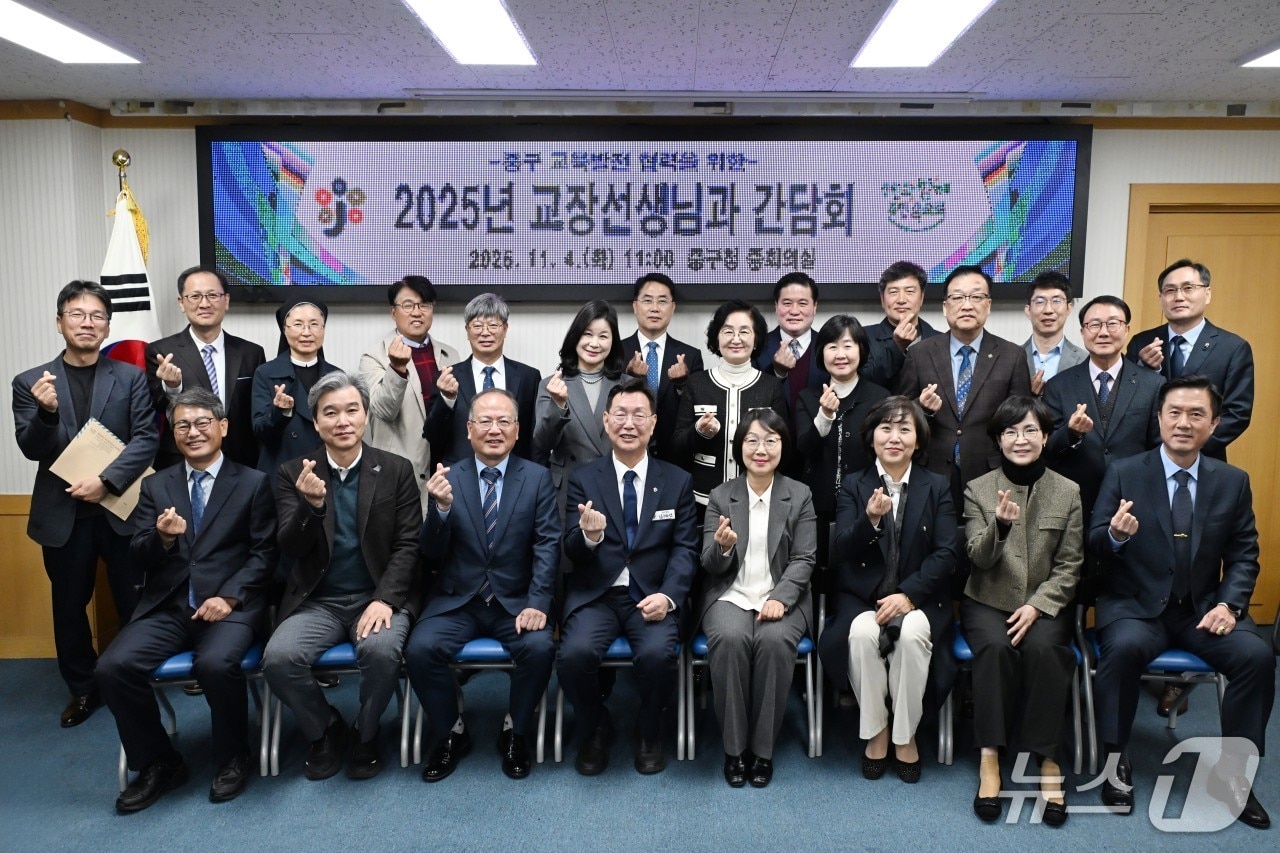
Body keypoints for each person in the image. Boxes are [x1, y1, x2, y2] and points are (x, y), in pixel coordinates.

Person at [1088, 376, 1274, 830]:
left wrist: (1229, 606)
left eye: (1196, 414)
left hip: (1202, 609)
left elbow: (1244, 554)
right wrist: (1115, 536)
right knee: (1123, 649)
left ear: (1214, 424)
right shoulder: (1125, 472)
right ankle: (1115, 759)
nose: (1183, 423)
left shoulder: (1232, 481)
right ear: (1159, 419)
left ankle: (1234, 774)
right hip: (1135, 607)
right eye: (1174, 413)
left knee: (1256, 656)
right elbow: (1093, 543)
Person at [96, 389, 277, 812]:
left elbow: (265, 553)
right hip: (169, 606)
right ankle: (159, 761)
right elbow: (138, 554)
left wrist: (229, 597)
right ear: (173, 433)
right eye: (182, 425)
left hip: (229, 607)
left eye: (202, 423)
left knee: (215, 664)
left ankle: (232, 757)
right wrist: (161, 538)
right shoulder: (156, 485)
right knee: (113, 667)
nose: (192, 432)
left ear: (223, 427)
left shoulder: (253, 483)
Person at [262, 371, 423, 781]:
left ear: (366, 416)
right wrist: (311, 506)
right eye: (330, 413)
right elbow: (289, 547)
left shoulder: (396, 469)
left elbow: (409, 544)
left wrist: (385, 599)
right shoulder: (293, 473)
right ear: (316, 422)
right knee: (279, 659)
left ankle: (365, 733)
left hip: (377, 596)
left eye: (352, 410)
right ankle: (324, 728)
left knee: (382, 652)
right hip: (318, 600)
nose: (343, 421)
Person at [11, 280, 159, 727]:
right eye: (77, 314)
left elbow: (146, 438)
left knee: (135, 600)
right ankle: (83, 689)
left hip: (121, 509)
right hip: (63, 515)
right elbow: (32, 449)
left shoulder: (130, 376)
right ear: (60, 323)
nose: (87, 323)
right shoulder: (31, 382)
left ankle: (134, 677)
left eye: (97, 316)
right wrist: (46, 413)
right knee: (69, 607)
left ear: (108, 326)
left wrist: (106, 481)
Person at [408, 389, 559, 782]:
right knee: (420, 649)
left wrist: (538, 602)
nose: (495, 430)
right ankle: (452, 731)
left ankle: (515, 729)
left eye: (504, 421)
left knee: (540, 648)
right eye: (485, 421)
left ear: (517, 430)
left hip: (516, 601)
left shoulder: (537, 478)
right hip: (459, 600)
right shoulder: (448, 478)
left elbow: (547, 544)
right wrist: (440, 511)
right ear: (469, 429)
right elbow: (431, 554)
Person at [558, 378, 699, 776]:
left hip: (652, 595)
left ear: (653, 424)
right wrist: (589, 537)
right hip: (598, 594)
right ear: (606, 421)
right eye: (620, 414)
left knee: (658, 656)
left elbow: (685, 549)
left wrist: (668, 596)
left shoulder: (677, 481)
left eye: (639, 415)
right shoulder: (584, 479)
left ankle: (649, 729)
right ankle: (595, 726)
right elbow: (569, 547)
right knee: (573, 656)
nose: (629, 423)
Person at [823, 396, 958, 785]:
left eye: (904, 429)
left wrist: (909, 596)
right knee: (862, 634)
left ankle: (905, 734)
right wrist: (869, 519)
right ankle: (877, 730)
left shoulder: (936, 485)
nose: (894, 437)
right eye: (886, 428)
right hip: (863, 598)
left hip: (919, 598)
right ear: (872, 438)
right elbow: (841, 550)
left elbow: (947, 552)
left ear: (918, 440)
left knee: (912, 634)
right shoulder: (854, 485)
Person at [962, 396, 1082, 826]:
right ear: (998, 440)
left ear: (1046, 437)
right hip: (987, 599)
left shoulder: (1068, 491)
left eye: (1031, 430)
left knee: (1046, 651)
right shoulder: (978, 488)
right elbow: (977, 558)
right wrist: (1000, 526)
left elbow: (1070, 565)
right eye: (1010, 432)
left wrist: (1038, 606)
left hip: (1046, 603)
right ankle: (990, 758)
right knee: (995, 649)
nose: (1021, 439)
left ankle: (1047, 759)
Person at [699, 409, 816, 788]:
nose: (761, 449)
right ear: (739, 447)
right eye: (752, 440)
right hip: (730, 594)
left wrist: (781, 598)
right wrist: (722, 548)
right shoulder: (721, 496)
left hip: (782, 595)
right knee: (730, 639)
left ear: (783, 446)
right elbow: (709, 564)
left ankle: (762, 751)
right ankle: (734, 750)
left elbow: (804, 558)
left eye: (770, 440)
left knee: (774, 641)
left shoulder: (799, 495)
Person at [897, 265, 1033, 507]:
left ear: (988, 305)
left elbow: (1020, 420)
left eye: (976, 297)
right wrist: (922, 408)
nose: (967, 305)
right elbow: (901, 415)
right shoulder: (920, 353)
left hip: (991, 474)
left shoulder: (1012, 355)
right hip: (930, 472)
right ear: (945, 307)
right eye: (958, 297)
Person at [1042, 295, 1161, 521]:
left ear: (1127, 329)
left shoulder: (1153, 384)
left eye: (1113, 323)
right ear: (1083, 332)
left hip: (1133, 499)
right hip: (1075, 503)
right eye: (1094, 325)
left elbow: (1158, 448)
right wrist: (1071, 433)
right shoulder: (1059, 385)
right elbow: (1048, 451)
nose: (1103, 332)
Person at [1125, 258, 1253, 461]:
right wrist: (1143, 369)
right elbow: (1128, 405)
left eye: (1188, 288)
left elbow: (1237, 413)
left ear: (1207, 294)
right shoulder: (1142, 342)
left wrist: (1188, 448)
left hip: (1204, 460)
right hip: (1148, 459)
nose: (1179, 297)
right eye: (1170, 290)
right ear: (1161, 298)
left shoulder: (1233, 348)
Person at [794, 314, 890, 572]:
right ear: (821, 353)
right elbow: (805, 448)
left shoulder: (880, 397)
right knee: (818, 569)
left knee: (860, 568)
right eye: (832, 346)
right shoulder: (807, 397)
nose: (840, 354)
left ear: (861, 350)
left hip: (865, 502)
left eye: (848, 345)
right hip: (816, 504)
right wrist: (824, 416)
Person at [145, 265, 266, 470]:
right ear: (181, 303)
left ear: (226, 300)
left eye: (212, 295)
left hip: (241, 462)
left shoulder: (251, 353)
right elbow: (156, 408)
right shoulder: (161, 351)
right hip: (182, 460)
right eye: (195, 296)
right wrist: (172, 387)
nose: (204, 303)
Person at [359, 275, 459, 513]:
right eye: (408, 305)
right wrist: (396, 368)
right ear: (393, 312)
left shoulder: (450, 355)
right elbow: (383, 410)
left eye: (424, 305)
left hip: (445, 467)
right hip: (399, 471)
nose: (417, 312)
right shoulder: (374, 357)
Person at [672, 300, 788, 507]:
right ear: (716, 338)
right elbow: (677, 447)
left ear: (756, 339)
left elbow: (784, 447)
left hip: (757, 499)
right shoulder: (696, 383)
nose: (736, 339)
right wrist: (699, 432)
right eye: (728, 331)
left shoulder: (771, 386)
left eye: (744, 332)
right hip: (703, 499)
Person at [423, 292, 539, 464]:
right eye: (477, 326)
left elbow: (534, 437)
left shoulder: (528, 377)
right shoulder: (447, 377)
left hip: (515, 473)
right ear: (467, 331)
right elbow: (433, 436)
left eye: (493, 325)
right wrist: (447, 399)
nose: (485, 333)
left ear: (505, 329)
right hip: (461, 473)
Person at [534, 300, 624, 519]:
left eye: (603, 336)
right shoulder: (552, 384)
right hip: (568, 488)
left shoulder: (628, 386)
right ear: (575, 337)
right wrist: (558, 405)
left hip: (616, 485)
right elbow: (542, 443)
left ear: (613, 341)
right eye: (587, 334)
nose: (594, 343)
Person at [620, 273, 704, 463]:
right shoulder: (616, 352)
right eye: (647, 300)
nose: (655, 308)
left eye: (662, 301)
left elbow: (696, 410)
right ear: (635, 306)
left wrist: (682, 385)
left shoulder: (690, 356)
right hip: (627, 453)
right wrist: (629, 378)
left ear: (672, 308)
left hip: (675, 458)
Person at [250, 298, 339, 477]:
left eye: (314, 324)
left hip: (326, 473)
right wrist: (280, 412)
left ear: (323, 329)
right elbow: (260, 431)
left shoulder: (336, 376)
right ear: (285, 330)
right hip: (282, 472)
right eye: (298, 324)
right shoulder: (265, 373)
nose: (306, 332)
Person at [753, 272, 828, 412]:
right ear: (776, 306)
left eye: (802, 303)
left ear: (815, 307)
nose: (794, 311)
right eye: (787, 303)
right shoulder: (757, 346)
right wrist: (777, 372)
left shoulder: (828, 346)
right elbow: (752, 397)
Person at [862, 261, 942, 389]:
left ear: (921, 298)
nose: (901, 300)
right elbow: (862, 384)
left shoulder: (941, 340)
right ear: (882, 299)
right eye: (893, 292)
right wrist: (897, 346)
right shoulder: (863, 337)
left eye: (909, 291)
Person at [1022, 271, 1086, 395]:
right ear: (1028, 310)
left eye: (1056, 301)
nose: (1048, 310)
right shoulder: (1011, 359)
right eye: (1040, 301)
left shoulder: (1085, 360)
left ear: (1069, 308)